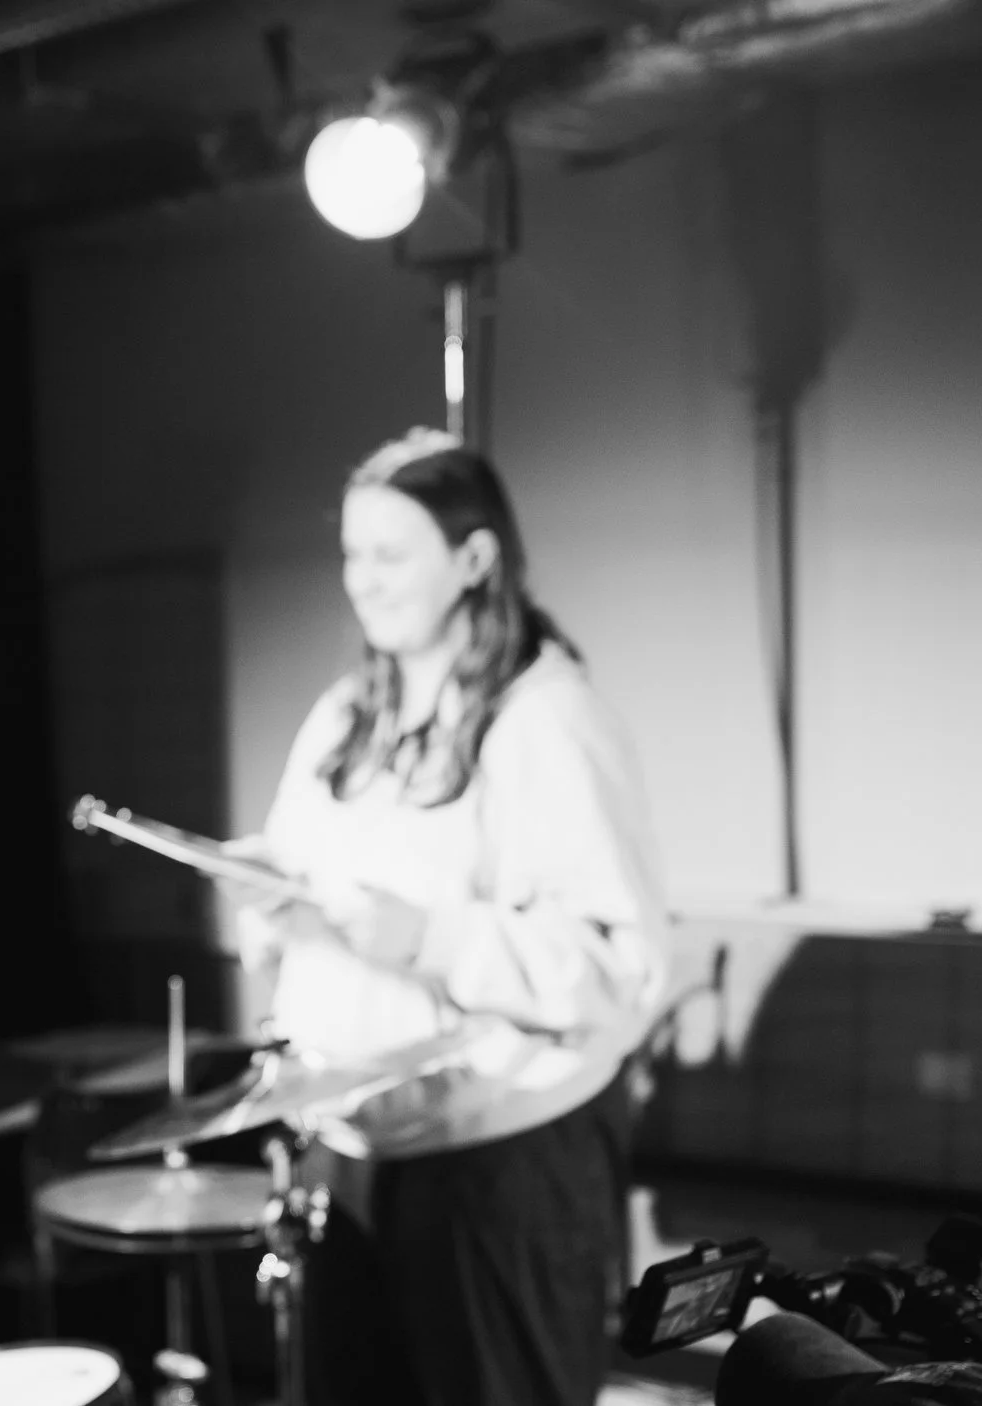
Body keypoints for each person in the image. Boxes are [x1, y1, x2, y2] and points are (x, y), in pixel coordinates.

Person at [227, 428, 668, 1406]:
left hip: (498, 1178)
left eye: (391, 554)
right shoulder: (344, 718)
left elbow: (622, 969)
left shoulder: (547, 719)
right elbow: (304, 912)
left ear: (473, 559)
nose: (363, 580)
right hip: (355, 1166)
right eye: (351, 553)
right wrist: (271, 899)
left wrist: (434, 936)